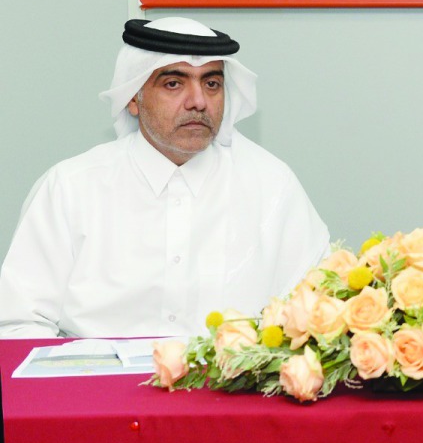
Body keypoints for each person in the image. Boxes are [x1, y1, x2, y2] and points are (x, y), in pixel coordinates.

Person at [0, 17, 330, 338]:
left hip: (229, 390)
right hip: (96, 389)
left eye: (212, 83)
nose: (199, 101)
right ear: (133, 98)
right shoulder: (70, 188)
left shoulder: (271, 186)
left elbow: (320, 310)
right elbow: (18, 325)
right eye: (174, 83)